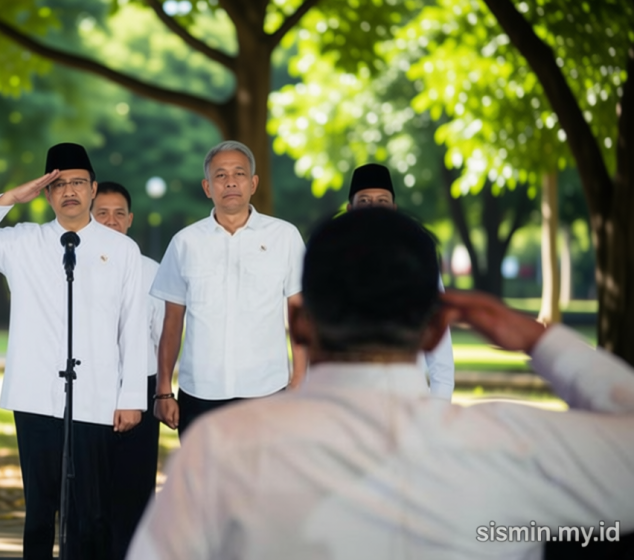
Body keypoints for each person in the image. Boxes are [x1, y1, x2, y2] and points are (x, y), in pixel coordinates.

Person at [128, 208, 634, 560]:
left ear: (300, 325)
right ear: (437, 329)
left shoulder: (221, 451)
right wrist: (538, 339)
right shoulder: (514, 445)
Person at [0, 143, 147, 560]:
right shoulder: (23, 240)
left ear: (93, 189)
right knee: (40, 512)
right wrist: (10, 198)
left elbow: (132, 327)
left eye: (78, 182)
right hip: (35, 396)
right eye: (58, 185)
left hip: (97, 397)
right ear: (46, 193)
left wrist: (131, 397)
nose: (69, 191)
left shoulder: (122, 250)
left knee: (91, 513)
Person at [151, 140, 307, 437]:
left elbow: (298, 313)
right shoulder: (185, 243)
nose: (230, 182)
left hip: (267, 390)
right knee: (204, 469)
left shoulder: (285, 237)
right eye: (220, 175)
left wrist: (299, 380)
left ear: (253, 183)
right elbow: (171, 322)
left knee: (263, 470)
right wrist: (163, 391)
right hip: (200, 392)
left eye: (239, 173)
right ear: (207, 187)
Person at [92, 181, 165, 560]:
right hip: (89, 387)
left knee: (134, 493)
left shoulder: (153, 272)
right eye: (102, 213)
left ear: (131, 219)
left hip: (142, 385)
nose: (111, 221)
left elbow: (163, 338)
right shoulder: (75, 267)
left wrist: (162, 391)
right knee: (91, 497)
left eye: (119, 214)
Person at [346, 163, 455, 399]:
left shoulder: (418, 261)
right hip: (348, 400)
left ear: (393, 209)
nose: (374, 208)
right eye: (364, 201)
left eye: (382, 201)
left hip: (408, 398)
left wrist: (439, 405)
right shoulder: (331, 263)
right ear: (350, 209)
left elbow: (439, 344)